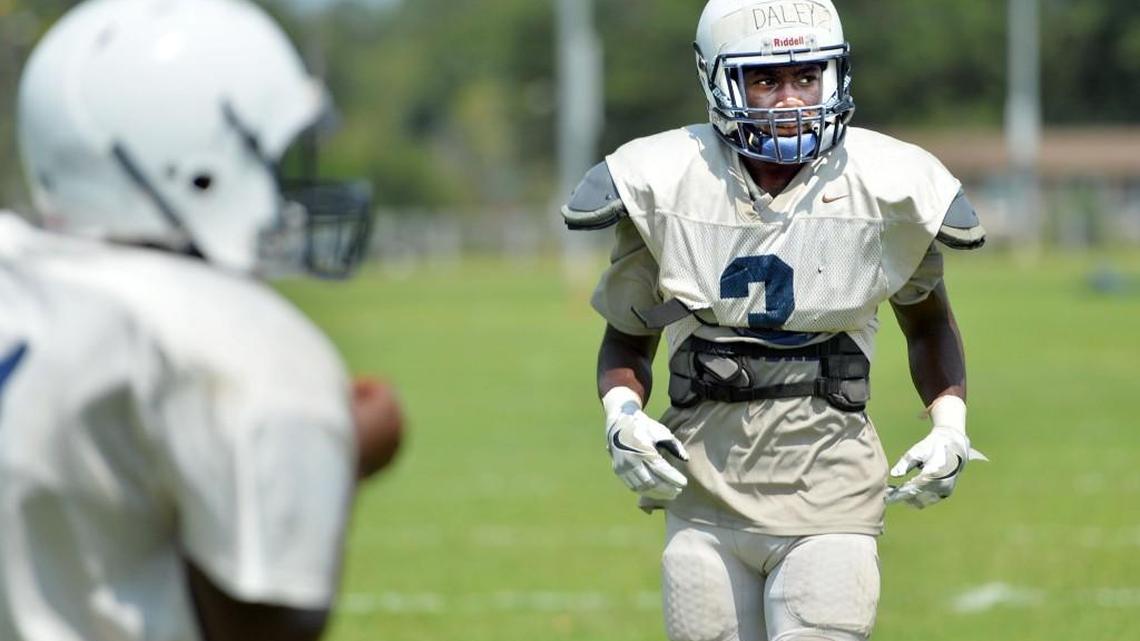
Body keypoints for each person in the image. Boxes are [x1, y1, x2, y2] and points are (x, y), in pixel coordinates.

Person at [562, 1, 987, 640]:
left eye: (805, 77)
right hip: (705, 497)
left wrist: (950, 426)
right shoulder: (668, 180)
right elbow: (627, 335)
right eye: (766, 80)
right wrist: (621, 418)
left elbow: (928, 324)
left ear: (834, 76)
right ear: (720, 82)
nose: (790, 99)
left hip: (831, 491)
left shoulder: (889, 183)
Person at [0, 1, 403, 640]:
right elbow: (267, 623)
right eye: (265, 156)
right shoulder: (239, 343)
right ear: (192, 162)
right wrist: (335, 455)